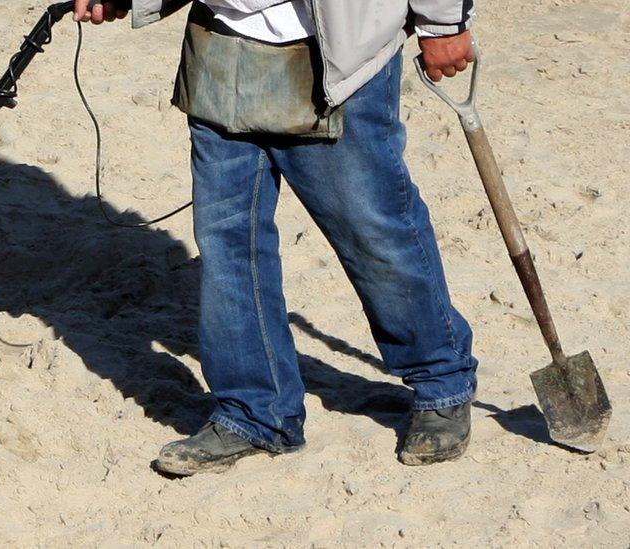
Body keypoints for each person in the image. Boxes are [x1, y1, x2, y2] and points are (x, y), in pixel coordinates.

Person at [74, 0, 479, 476]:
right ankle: (255, 413)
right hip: (221, 45)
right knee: (228, 246)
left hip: (337, 56)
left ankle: (441, 385)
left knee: (373, 232)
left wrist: (443, 20)